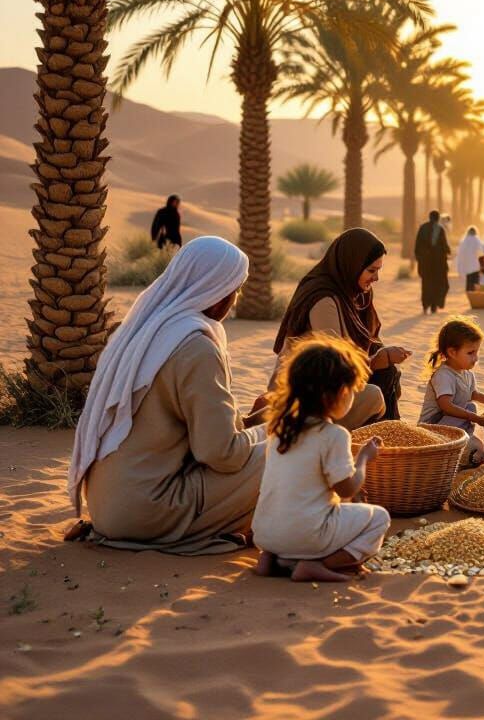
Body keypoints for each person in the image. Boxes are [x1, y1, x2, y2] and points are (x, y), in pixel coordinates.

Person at [67, 236, 267, 554]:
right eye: (234, 288)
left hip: (108, 508)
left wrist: (257, 425)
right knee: (293, 444)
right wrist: (271, 431)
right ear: (216, 292)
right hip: (148, 510)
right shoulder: (196, 346)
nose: (236, 298)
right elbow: (220, 454)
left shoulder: (151, 330)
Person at [253, 335, 391, 583]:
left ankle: (272, 558)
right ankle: (316, 564)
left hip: (264, 532)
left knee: (303, 510)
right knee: (379, 518)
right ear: (335, 395)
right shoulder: (333, 435)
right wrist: (363, 460)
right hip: (307, 534)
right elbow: (347, 487)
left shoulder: (279, 430)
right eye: (350, 391)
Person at [273, 228, 412, 422]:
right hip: (310, 393)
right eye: (371, 270)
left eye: (378, 270)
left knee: (388, 374)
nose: (376, 278)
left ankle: (385, 443)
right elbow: (334, 366)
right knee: (373, 395)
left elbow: (368, 342)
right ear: (352, 265)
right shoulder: (322, 299)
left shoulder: (356, 293)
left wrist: (383, 358)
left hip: (340, 384)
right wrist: (378, 360)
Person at [418, 316, 484, 466]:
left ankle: (465, 438)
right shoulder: (443, 375)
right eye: (470, 353)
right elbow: (446, 405)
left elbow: (472, 394)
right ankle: (456, 442)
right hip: (433, 427)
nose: (476, 358)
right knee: (470, 411)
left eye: (477, 352)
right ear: (452, 352)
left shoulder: (467, 373)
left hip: (452, 421)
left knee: (471, 405)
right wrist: (474, 417)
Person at [414, 210, 451, 314]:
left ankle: (425, 306)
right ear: (438, 218)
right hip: (438, 264)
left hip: (426, 263)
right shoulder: (440, 229)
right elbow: (445, 246)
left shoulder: (422, 228)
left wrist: (420, 260)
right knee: (436, 284)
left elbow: (417, 247)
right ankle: (434, 306)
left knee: (426, 285)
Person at [455, 226, 484, 292]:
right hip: (475, 267)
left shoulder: (463, 241)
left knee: (469, 284)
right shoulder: (477, 240)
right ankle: (475, 298)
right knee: (475, 285)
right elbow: (482, 251)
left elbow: (460, 255)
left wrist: (460, 267)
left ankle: (470, 297)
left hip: (467, 267)